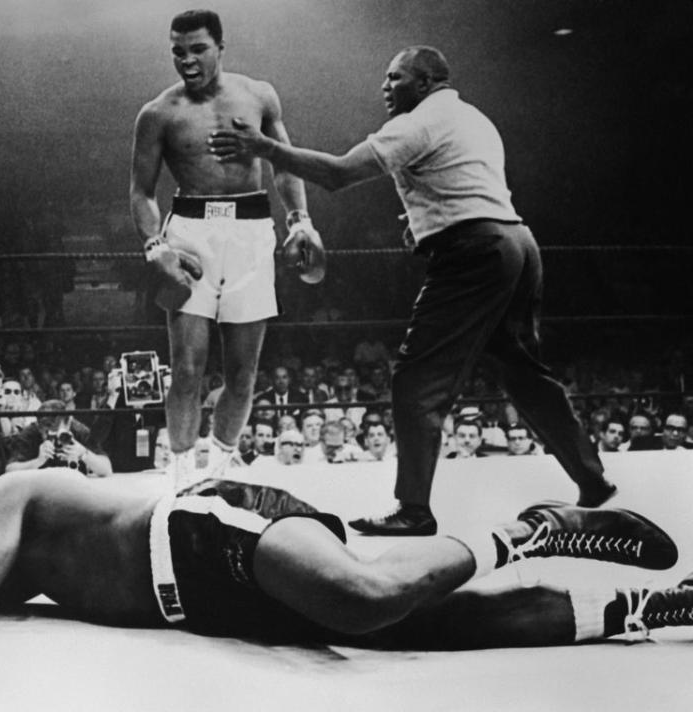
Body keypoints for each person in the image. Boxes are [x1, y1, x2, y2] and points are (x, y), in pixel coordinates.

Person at [208, 45, 616, 535]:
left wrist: (266, 148)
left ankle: (414, 510)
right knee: (522, 371)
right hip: (516, 244)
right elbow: (462, 182)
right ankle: (593, 482)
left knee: (416, 379)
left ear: (423, 82)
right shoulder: (471, 117)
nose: (385, 87)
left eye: (395, 77)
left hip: (476, 252)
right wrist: (425, 221)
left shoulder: (419, 121)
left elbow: (338, 175)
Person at [0, 472, 689, 654]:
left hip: (202, 530)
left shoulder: (11, 495)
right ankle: (648, 610)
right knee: (426, 625)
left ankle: (529, 528)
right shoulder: (37, 572)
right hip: (207, 596)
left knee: (366, 599)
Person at [129, 9, 325, 491]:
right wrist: (156, 247)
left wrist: (300, 219)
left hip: (252, 230)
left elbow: (284, 164)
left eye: (197, 49)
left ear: (220, 47)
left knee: (243, 370)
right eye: (178, 51)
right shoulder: (158, 113)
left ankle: (219, 467)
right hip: (189, 235)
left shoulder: (259, 95)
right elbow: (141, 190)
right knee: (188, 367)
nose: (187, 60)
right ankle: (178, 473)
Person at [4, 400, 112, 478]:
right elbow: (10, 470)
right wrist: (38, 461)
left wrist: (83, 454)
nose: (55, 440)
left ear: (69, 422)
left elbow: (106, 469)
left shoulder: (79, 430)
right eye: (47, 434)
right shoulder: (29, 434)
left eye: (57, 432)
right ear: (38, 426)